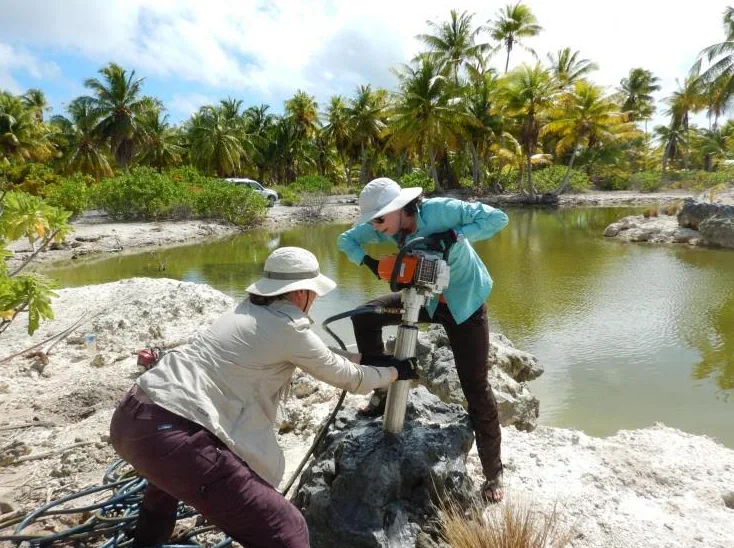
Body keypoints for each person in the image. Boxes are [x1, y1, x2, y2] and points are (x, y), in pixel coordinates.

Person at [109, 246, 416, 548]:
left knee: (164, 487)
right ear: (300, 293)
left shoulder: (244, 310)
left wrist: (368, 359)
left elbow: (318, 354)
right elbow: (351, 379)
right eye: (314, 293)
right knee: (288, 529)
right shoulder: (288, 328)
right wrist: (396, 372)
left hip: (132, 420)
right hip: (174, 437)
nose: (314, 301)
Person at [337, 177, 509, 503]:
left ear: (401, 209)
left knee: (476, 386)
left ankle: (493, 471)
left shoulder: (440, 211)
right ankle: (383, 391)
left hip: (464, 304)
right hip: (423, 298)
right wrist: (373, 264)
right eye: (372, 220)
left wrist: (453, 235)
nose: (375, 227)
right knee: (364, 316)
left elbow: (496, 218)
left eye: (379, 219)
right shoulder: (382, 228)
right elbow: (347, 241)